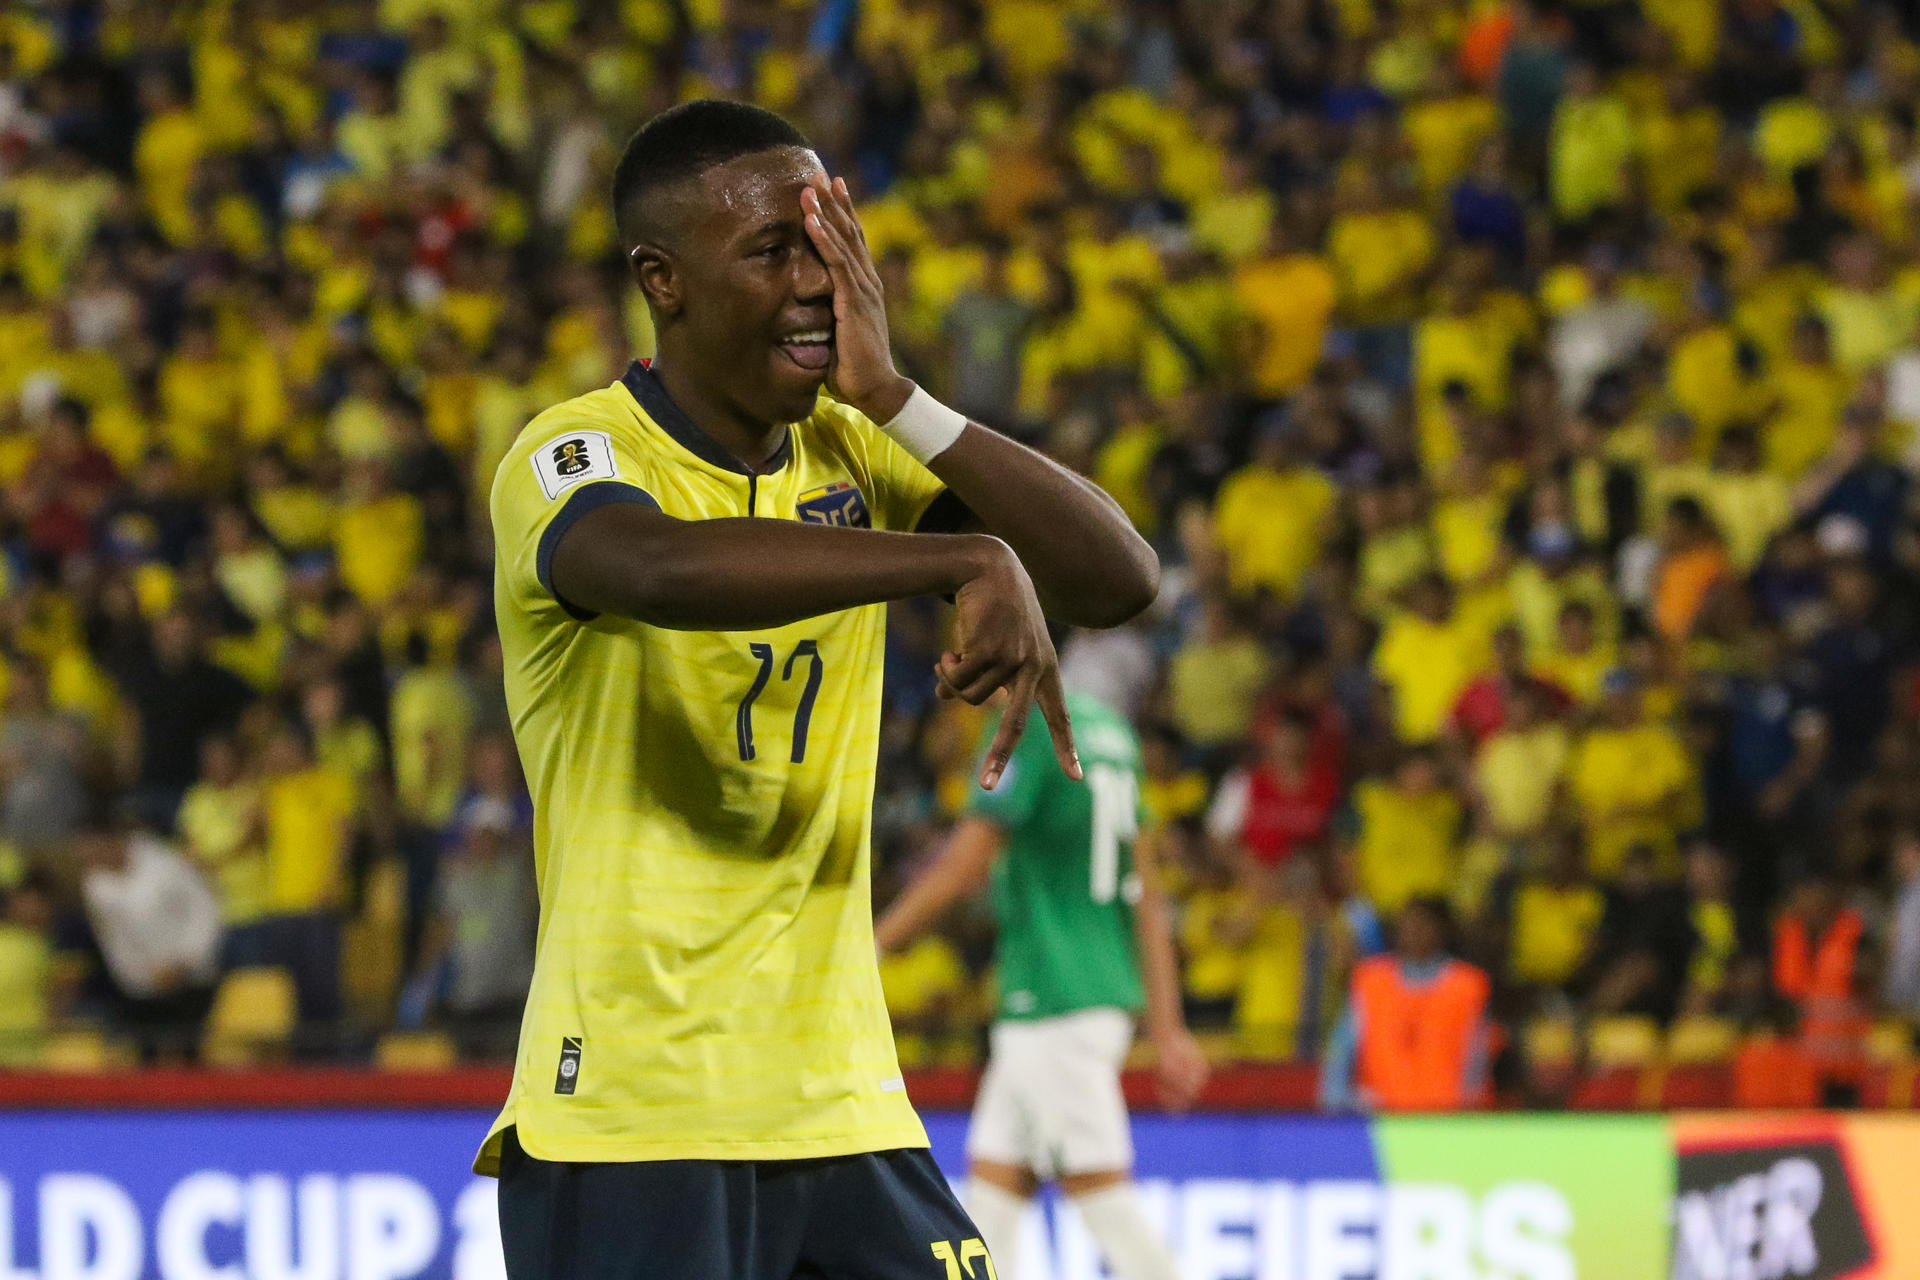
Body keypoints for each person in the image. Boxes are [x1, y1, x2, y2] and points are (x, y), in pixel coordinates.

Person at [480, 101, 1158, 1280]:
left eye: (829, 241)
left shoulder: (858, 447)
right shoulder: (572, 454)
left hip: (845, 1102)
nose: (817, 283)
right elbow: (659, 567)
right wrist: (961, 555)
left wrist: (902, 402)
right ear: (665, 279)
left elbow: (1118, 576)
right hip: (639, 1112)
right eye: (773, 250)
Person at [873, 691, 1209, 1280]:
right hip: (1091, 990)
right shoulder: (1111, 730)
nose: (942, 669)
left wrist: (869, 946)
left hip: (1051, 994)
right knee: (995, 1193)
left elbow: (964, 866)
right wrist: (1168, 1025)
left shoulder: (1023, 724)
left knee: (1104, 1199)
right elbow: (1145, 893)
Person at [1321, 896, 1491, 1111]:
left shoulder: (1467, 985)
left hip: (1445, 1118)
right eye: (1406, 923)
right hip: (1380, 1119)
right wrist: (1335, 1102)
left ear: (1442, 930)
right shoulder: (1369, 980)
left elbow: (1477, 1058)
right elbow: (1342, 1048)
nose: (1412, 931)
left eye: (1422, 924)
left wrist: (1469, 1110)